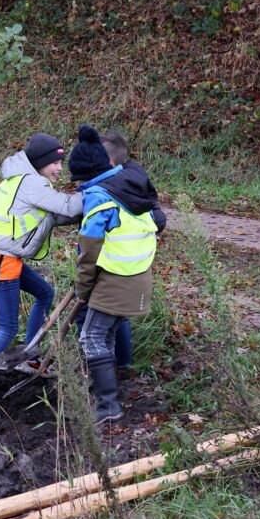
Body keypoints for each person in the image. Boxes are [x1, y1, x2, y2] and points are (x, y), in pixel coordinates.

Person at [0, 133, 83, 420]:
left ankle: (31, 357)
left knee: (44, 293)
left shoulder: (21, 180)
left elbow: (55, 215)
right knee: (6, 329)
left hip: (2, 254)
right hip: (2, 258)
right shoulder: (31, 182)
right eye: (54, 162)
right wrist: (96, 192)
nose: (58, 168)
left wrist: (81, 211)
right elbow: (66, 207)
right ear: (40, 163)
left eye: (60, 163)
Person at [68, 125, 160, 425]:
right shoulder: (131, 189)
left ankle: (108, 405)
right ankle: (106, 391)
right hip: (138, 278)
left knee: (91, 336)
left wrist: (83, 289)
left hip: (116, 279)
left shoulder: (100, 198)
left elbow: (88, 254)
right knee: (104, 333)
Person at [96, 129, 166, 376]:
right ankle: (121, 367)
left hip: (115, 267)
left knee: (96, 328)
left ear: (108, 162)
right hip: (133, 267)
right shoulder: (135, 177)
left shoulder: (113, 186)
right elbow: (159, 217)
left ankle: (105, 374)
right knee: (119, 318)